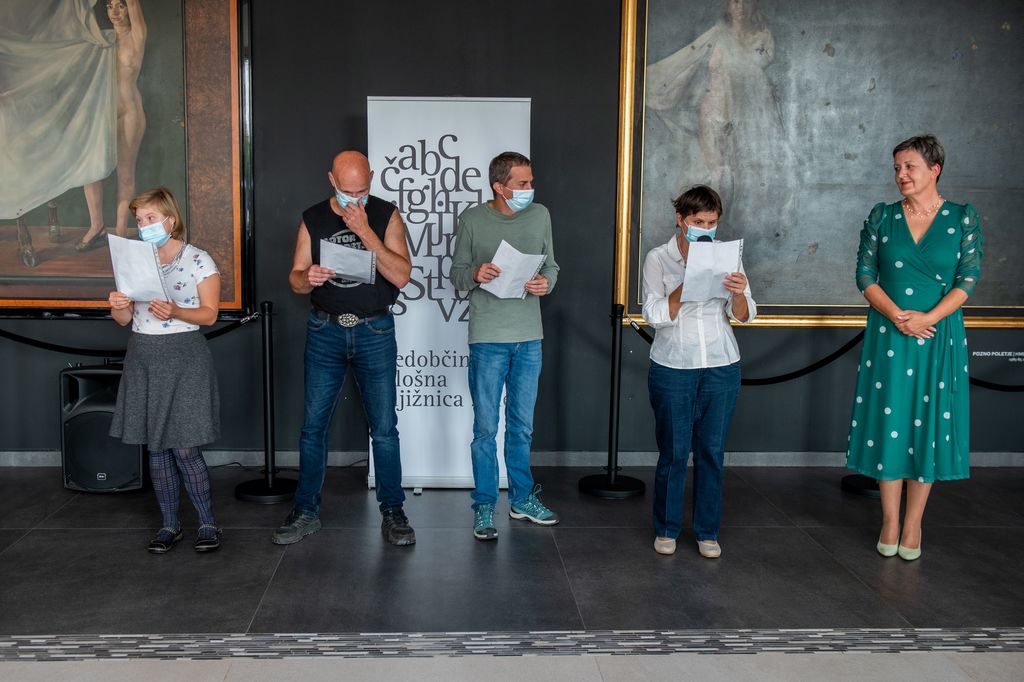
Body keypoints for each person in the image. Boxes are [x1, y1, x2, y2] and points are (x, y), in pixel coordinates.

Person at [846, 134, 983, 561]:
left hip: (938, 334)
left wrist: (928, 318)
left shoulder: (962, 218)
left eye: (909, 167)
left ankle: (913, 524)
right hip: (890, 334)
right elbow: (864, 275)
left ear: (934, 169)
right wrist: (897, 315)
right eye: (897, 168)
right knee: (891, 421)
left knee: (928, 423)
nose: (901, 175)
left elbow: (968, 279)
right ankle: (889, 520)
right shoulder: (882, 216)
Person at [273, 150, 415, 547]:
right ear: (332, 181)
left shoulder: (386, 215)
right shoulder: (313, 217)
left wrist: (366, 231)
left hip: (374, 330)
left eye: (362, 190)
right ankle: (306, 511)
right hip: (326, 331)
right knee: (313, 427)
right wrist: (308, 277)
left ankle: (393, 511)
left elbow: (402, 276)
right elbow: (294, 280)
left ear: (371, 178)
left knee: (384, 429)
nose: (356, 198)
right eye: (348, 191)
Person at [449, 151, 560, 541]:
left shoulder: (540, 215)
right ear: (499, 186)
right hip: (488, 339)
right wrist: (476, 273)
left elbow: (551, 266)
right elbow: (457, 276)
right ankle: (484, 505)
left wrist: (546, 282)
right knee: (485, 428)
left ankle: (522, 499)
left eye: (531, 182)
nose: (530, 189)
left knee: (522, 427)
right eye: (522, 183)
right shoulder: (473, 220)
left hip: (529, 337)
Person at [641, 185, 755, 558]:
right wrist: (685, 284)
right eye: (698, 221)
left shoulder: (728, 256)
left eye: (711, 222)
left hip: (721, 364)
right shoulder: (659, 258)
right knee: (674, 452)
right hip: (673, 365)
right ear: (681, 219)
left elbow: (744, 315)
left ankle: (707, 531)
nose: (705, 228)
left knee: (711, 451)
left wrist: (738, 292)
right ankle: (667, 528)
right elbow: (654, 314)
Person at [108, 186, 222, 554]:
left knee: (185, 448)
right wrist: (117, 303)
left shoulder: (199, 259)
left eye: (150, 218)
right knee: (156, 449)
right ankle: (169, 526)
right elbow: (123, 319)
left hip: (185, 356)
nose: (144, 225)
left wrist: (176, 311)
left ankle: (207, 523)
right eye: (139, 220)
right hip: (143, 355)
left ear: (170, 220)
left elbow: (210, 315)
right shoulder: (133, 260)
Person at [79, 0, 147, 250]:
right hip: (102, 114)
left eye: (121, 6)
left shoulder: (137, 35)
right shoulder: (102, 39)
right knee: (90, 172)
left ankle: (119, 234)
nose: (115, 12)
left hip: (129, 113)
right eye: (109, 6)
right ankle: (96, 225)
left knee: (125, 175)